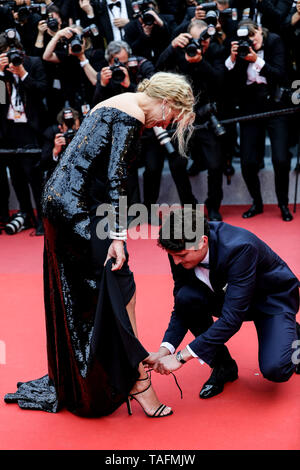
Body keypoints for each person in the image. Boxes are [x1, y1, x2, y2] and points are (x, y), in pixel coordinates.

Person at [4, 72, 195, 417]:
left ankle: (90, 377)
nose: (166, 124)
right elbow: (117, 178)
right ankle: (140, 384)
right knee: (122, 287)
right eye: (172, 116)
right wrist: (119, 237)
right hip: (75, 208)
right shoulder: (132, 115)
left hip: (61, 201)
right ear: (167, 102)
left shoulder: (115, 101)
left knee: (89, 292)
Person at [144, 208, 300, 399]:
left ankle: (291, 332)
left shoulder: (240, 247)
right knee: (186, 297)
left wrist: (180, 357)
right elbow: (181, 304)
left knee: (276, 369)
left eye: (182, 255)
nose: (176, 262)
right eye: (173, 255)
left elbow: (231, 319)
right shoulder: (178, 246)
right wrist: (164, 350)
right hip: (227, 294)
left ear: (202, 241)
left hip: (270, 300)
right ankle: (223, 366)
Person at [225, 20, 293, 221]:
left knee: (281, 159)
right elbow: (231, 83)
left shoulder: (274, 41)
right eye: (247, 39)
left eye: (253, 36)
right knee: (247, 161)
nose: (251, 41)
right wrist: (233, 58)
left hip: (275, 104)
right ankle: (257, 202)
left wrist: (257, 60)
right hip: (250, 106)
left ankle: (283, 203)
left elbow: (281, 74)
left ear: (260, 31)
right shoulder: (239, 47)